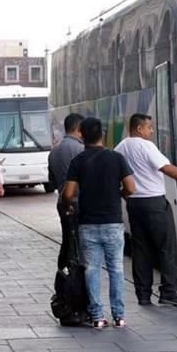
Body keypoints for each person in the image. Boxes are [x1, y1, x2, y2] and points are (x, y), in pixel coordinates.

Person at [115, 113, 177, 306]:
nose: (152, 131)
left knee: (141, 250)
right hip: (154, 204)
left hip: (134, 204)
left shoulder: (120, 147)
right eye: (149, 127)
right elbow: (167, 168)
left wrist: (124, 194)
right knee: (167, 248)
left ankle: (143, 294)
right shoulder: (146, 146)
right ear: (139, 128)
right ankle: (169, 292)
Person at [62, 117, 136, 329]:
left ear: (82, 135)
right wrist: (119, 193)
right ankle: (119, 316)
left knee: (92, 270)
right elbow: (131, 188)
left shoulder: (78, 161)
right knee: (116, 270)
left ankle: (97, 317)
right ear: (102, 134)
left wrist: (69, 205)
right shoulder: (116, 158)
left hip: (88, 224)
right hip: (112, 222)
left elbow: (68, 193)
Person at [48, 113, 84, 269]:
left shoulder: (53, 152)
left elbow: (51, 181)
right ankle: (75, 275)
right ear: (78, 128)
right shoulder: (81, 150)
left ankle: (63, 273)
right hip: (78, 202)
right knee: (78, 244)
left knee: (67, 240)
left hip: (62, 202)